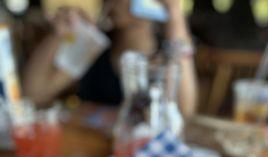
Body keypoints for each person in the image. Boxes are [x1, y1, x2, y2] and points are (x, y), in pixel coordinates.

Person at [23, 0, 198, 118]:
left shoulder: (166, 55)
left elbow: (185, 109)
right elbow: (35, 94)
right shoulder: (95, 47)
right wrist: (59, 34)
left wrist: (175, 17)